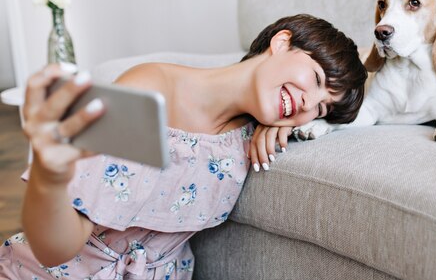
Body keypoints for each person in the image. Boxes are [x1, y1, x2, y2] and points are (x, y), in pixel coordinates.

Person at [0, 14, 367, 279]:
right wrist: (49, 176)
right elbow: (54, 250)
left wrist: (294, 125)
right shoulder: (149, 89)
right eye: (316, 79)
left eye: (321, 108)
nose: (308, 105)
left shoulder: (254, 133)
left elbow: (382, 61)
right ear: (282, 42)